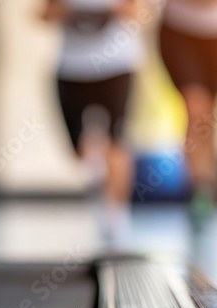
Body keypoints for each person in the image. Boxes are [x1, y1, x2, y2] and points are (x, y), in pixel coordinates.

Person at [42, 0, 142, 249]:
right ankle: (97, 176)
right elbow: (44, 14)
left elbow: (138, 12)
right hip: (72, 69)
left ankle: (118, 219)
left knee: (117, 143)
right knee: (79, 151)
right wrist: (72, 13)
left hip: (116, 68)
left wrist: (110, 11)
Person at [157, 0, 217, 224]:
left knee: (210, 115)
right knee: (195, 108)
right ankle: (196, 185)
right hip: (178, 31)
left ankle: (206, 181)